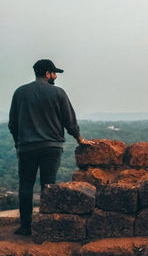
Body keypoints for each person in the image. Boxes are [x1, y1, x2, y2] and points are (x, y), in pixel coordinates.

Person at [8, 59, 93, 236]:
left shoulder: (20, 93)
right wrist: (79, 138)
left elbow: (12, 124)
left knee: (25, 186)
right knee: (48, 185)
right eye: (54, 73)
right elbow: (69, 121)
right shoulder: (58, 93)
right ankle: (46, 226)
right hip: (51, 147)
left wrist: (19, 142)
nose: (55, 77)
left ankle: (25, 227)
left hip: (27, 147)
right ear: (47, 73)